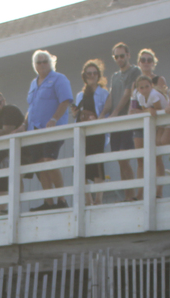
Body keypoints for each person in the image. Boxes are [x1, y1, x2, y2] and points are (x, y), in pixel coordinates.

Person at [23, 49, 74, 213]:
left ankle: (62, 199)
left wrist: (53, 119)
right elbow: (32, 107)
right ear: (34, 66)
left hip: (52, 130)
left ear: (50, 63)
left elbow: (65, 101)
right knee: (40, 165)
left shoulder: (59, 79)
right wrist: (23, 126)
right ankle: (49, 202)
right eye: (38, 62)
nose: (42, 65)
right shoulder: (33, 83)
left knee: (48, 161)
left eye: (45, 61)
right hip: (34, 131)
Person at [102, 43, 143, 194]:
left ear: (128, 55)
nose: (119, 59)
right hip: (116, 124)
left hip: (127, 121)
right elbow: (112, 96)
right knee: (120, 159)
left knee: (125, 157)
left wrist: (115, 113)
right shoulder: (114, 76)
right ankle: (128, 194)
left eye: (122, 56)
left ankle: (131, 194)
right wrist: (103, 114)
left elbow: (127, 94)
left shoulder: (135, 71)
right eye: (116, 56)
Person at [74, 61, 109, 204]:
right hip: (84, 134)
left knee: (97, 165)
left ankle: (98, 199)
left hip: (97, 133)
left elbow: (106, 112)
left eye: (95, 73)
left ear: (98, 75)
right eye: (89, 73)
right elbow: (77, 115)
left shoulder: (103, 92)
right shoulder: (80, 95)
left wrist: (97, 119)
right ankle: (88, 199)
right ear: (84, 76)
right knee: (81, 165)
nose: (92, 76)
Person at [128, 72, 169, 192]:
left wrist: (144, 111)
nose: (145, 89)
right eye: (141, 87)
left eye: (147, 86)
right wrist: (146, 110)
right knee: (150, 154)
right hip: (155, 123)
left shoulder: (153, 95)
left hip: (165, 121)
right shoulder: (140, 96)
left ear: (151, 85)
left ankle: (159, 190)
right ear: (137, 89)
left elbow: (156, 110)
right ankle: (142, 192)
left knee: (157, 152)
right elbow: (147, 109)